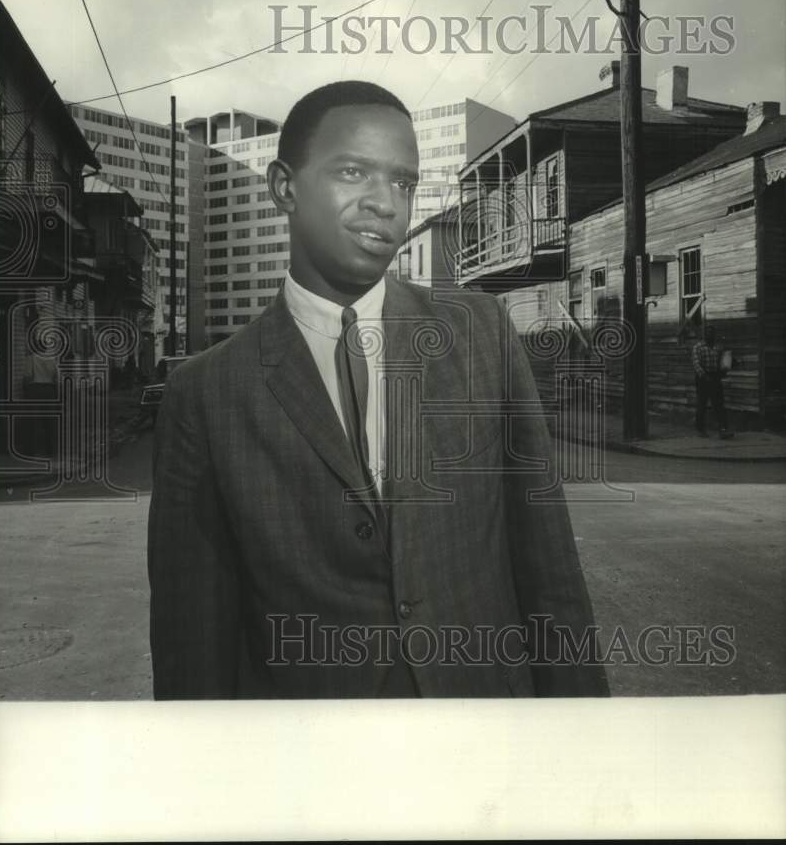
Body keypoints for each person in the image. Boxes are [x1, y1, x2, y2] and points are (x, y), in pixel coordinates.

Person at [148, 80, 608, 699]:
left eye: (403, 182)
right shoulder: (205, 393)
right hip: (314, 764)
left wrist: (585, 744)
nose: (385, 203)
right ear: (284, 186)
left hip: (485, 737)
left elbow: (549, 568)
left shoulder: (480, 334)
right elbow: (193, 638)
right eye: (353, 171)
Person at [692, 324, 734, 439]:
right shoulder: (698, 347)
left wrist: (725, 367)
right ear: (704, 334)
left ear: (714, 335)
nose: (710, 334)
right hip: (702, 378)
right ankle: (700, 430)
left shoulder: (718, 347)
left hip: (715, 377)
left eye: (712, 332)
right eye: (707, 332)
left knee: (719, 404)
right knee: (702, 404)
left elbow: (723, 361)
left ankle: (723, 429)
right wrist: (704, 376)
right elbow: (696, 364)